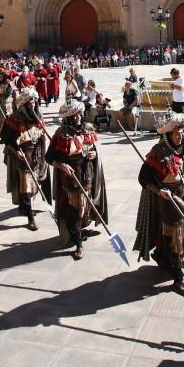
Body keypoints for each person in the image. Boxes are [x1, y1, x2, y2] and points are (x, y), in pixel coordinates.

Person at [133, 112, 184, 297]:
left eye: (182, 132)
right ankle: (179, 279)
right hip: (167, 202)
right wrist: (159, 191)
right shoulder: (158, 152)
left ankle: (163, 259)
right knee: (175, 238)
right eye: (177, 133)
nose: (181, 136)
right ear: (168, 134)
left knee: (175, 237)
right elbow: (143, 178)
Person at [46, 101, 109, 260]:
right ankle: (78, 243)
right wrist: (61, 165)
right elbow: (49, 157)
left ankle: (81, 230)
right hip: (70, 178)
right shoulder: (61, 134)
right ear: (68, 118)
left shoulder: (87, 129)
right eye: (74, 115)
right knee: (74, 209)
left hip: (87, 174)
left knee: (85, 207)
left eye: (79, 114)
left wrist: (94, 155)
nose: (78, 117)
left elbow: (92, 148)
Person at [1, 87, 51, 230]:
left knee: (36, 184)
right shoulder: (14, 120)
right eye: (29, 102)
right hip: (22, 159)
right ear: (23, 104)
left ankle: (25, 207)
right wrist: (16, 151)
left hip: (36, 156)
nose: (32, 104)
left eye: (33, 101)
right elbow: (6, 139)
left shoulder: (38, 117)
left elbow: (41, 136)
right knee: (26, 188)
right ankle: (30, 218)